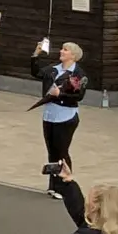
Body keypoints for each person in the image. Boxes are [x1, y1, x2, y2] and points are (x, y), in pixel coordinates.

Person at [33, 40, 87, 198]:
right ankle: (53, 185)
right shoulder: (53, 69)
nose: (61, 52)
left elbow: (79, 95)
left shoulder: (78, 74)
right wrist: (36, 54)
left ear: (74, 56)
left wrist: (60, 95)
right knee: (51, 151)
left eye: (65, 50)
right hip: (49, 114)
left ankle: (65, 186)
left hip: (66, 116)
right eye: (62, 49)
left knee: (62, 151)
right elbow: (36, 72)